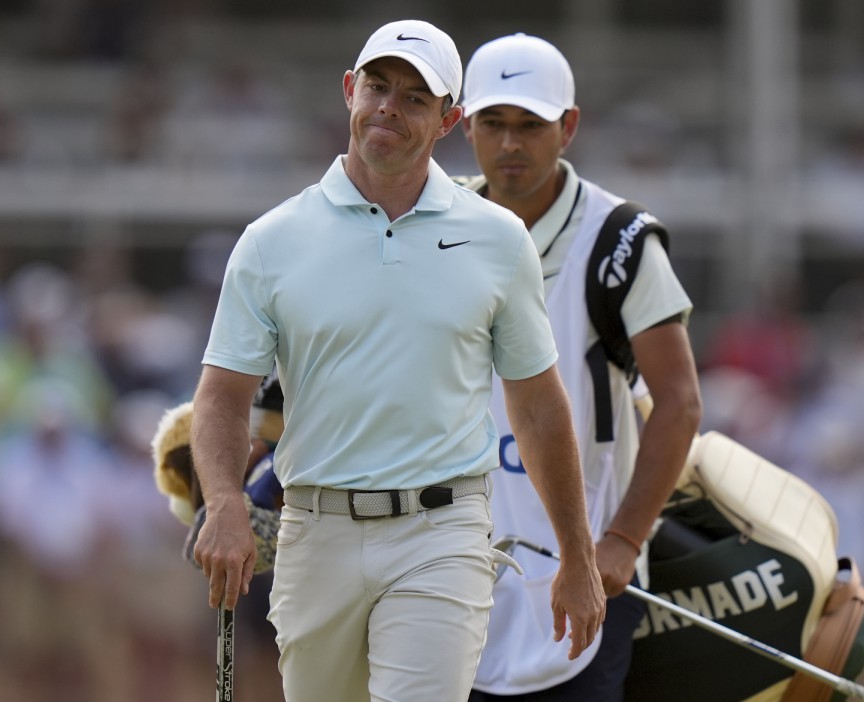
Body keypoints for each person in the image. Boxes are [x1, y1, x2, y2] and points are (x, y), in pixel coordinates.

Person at [188, 20, 606, 702]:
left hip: (441, 534)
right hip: (314, 533)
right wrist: (225, 503)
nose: (389, 105)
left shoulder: (497, 240)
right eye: (378, 86)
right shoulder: (272, 241)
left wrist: (577, 555)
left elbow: (536, 405)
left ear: (447, 120)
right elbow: (222, 396)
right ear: (349, 91)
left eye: (415, 98)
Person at [456, 34, 702, 701]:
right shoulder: (433, 221)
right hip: (451, 572)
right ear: (463, 124)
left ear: (567, 127)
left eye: (530, 125)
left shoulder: (618, 240)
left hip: (584, 572)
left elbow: (679, 403)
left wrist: (622, 541)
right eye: (493, 123)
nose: (510, 144)